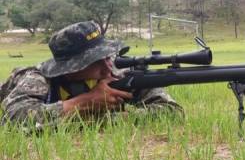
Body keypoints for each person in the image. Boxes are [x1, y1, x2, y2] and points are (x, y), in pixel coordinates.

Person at [0, 21, 182, 128]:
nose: (108, 66)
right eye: (95, 60)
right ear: (71, 67)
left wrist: (113, 119)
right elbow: (15, 117)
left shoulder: (117, 75)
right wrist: (82, 104)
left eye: (108, 56)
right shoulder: (38, 78)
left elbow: (172, 112)